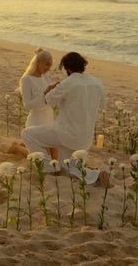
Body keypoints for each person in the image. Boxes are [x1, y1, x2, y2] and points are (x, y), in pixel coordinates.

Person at [22, 52, 106, 184]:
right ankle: (96, 175)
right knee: (70, 169)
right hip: (85, 139)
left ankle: (49, 168)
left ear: (67, 69)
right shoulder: (97, 83)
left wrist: (52, 89)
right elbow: (102, 105)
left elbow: (48, 100)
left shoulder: (68, 82)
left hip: (65, 134)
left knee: (27, 134)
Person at [8, 48, 58, 159]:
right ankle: (17, 147)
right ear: (38, 62)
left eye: (50, 66)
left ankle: (21, 144)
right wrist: (44, 94)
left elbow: (51, 97)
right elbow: (27, 106)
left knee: (53, 153)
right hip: (36, 121)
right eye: (47, 65)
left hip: (49, 118)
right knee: (42, 156)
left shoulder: (45, 77)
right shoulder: (26, 79)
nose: (48, 69)